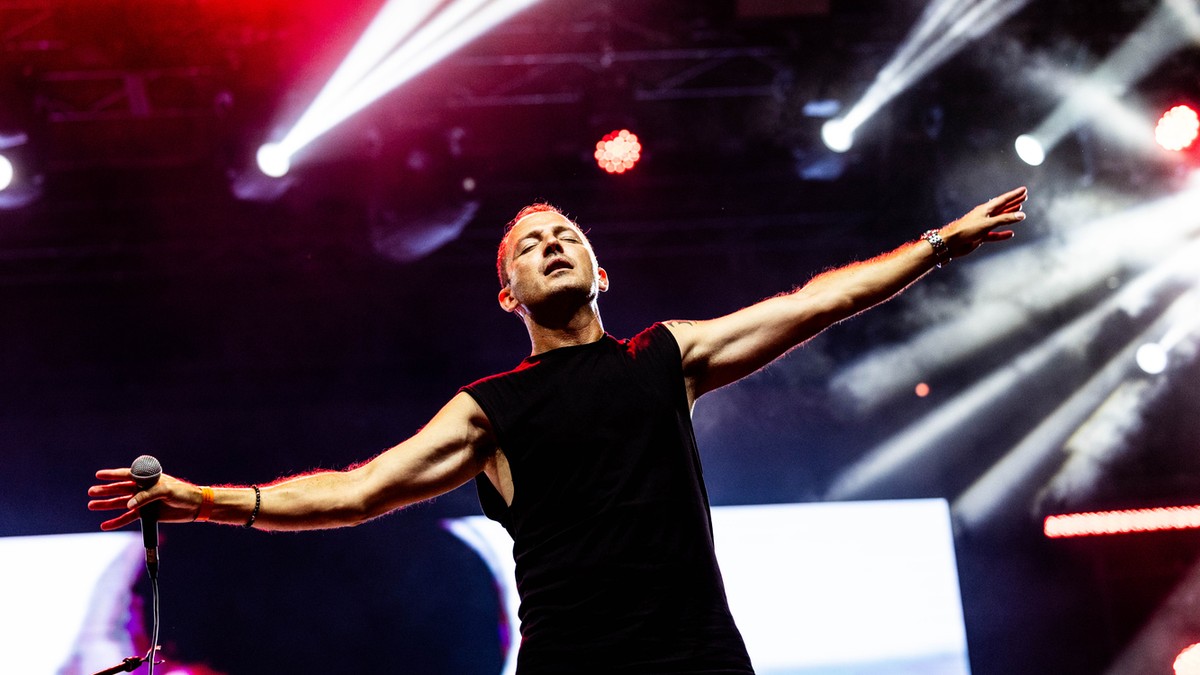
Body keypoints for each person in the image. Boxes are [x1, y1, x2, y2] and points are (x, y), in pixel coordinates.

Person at [89, 186, 1028, 674]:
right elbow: (360, 490)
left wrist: (937, 245)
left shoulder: (666, 356)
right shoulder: (489, 408)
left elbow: (818, 302)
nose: (552, 242)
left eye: (567, 234)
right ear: (508, 294)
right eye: (530, 244)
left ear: (599, 272)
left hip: (699, 661)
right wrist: (201, 500)